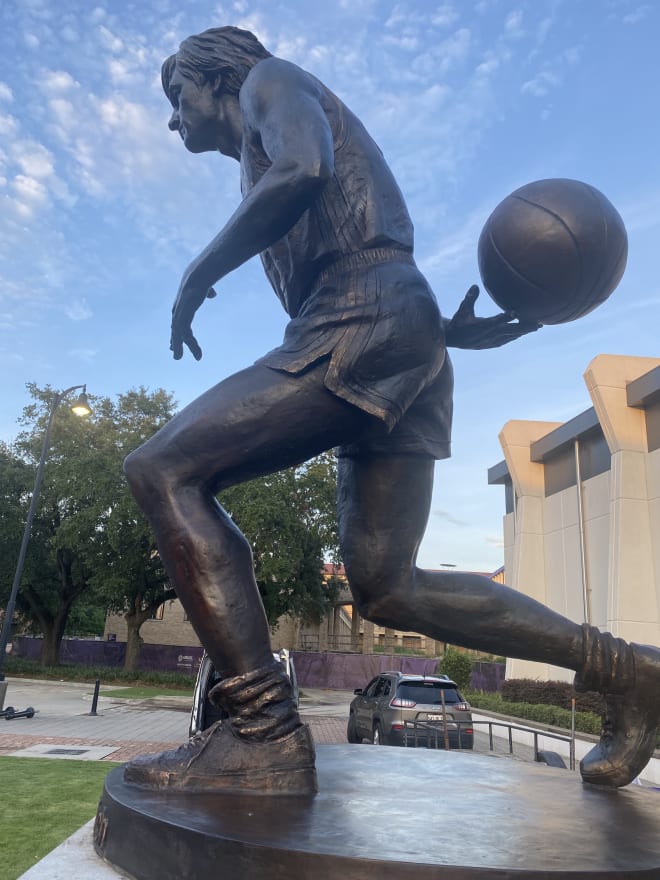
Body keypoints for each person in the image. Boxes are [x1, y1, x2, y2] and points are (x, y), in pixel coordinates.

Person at [123, 26, 660, 795]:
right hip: (397, 325)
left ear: (215, 80)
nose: (174, 121)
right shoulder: (260, 133)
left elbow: (308, 171)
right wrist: (436, 332)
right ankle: (633, 673)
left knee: (162, 470)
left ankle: (264, 733)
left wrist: (195, 275)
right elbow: (354, 222)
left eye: (178, 98)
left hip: (359, 320)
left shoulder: (266, 81)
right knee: (388, 587)